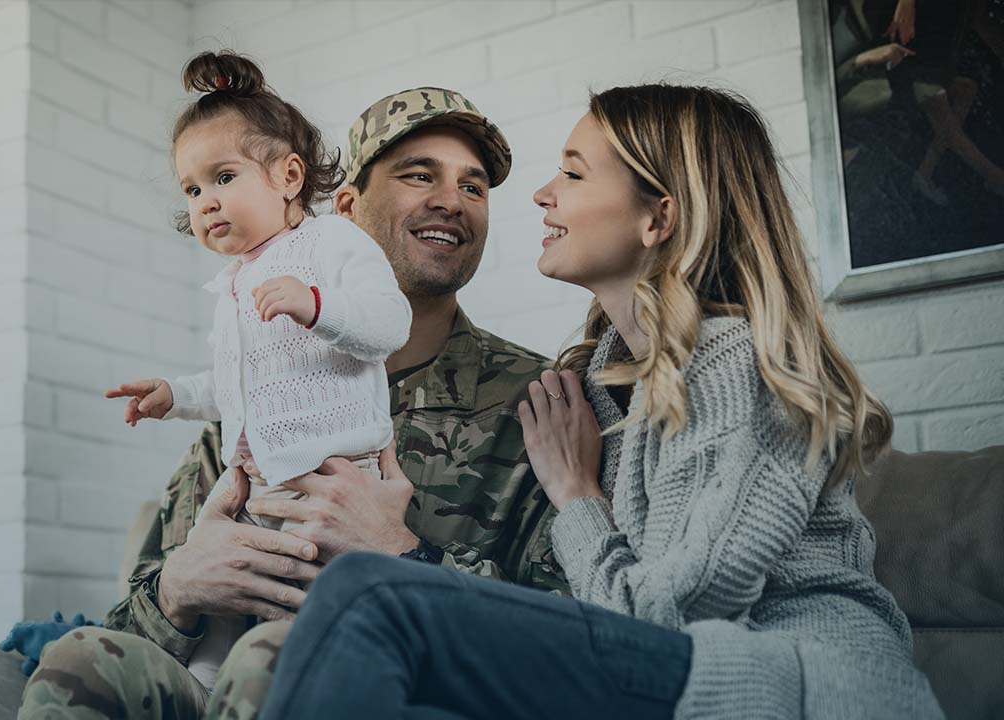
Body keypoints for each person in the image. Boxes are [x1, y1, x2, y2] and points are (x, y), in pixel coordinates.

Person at [260, 84, 946, 720]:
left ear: (658, 217)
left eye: (574, 173)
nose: (539, 195)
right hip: (685, 680)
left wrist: (577, 496)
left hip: (799, 690)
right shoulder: (599, 387)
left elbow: (664, 618)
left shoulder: (741, 365)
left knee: (370, 597)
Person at [16, 81, 566, 720]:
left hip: (388, 686)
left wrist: (404, 556)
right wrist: (179, 590)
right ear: (349, 208)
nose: (451, 202)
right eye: (420, 176)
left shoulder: (534, 403)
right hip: (218, 679)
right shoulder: (251, 397)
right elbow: (136, 623)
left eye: (473, 187)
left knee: (276, 664)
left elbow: (573, 644)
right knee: (80, 662)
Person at [101, 50, 412, 690]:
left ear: (288, 176)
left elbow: (389, 326)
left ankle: (282, 678)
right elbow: (235, 384)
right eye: (191, 189)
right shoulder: (237, 282)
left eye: (223, 177)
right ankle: (209, 685)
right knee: (218, 587)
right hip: (255, 476)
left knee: (302, 601)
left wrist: (316, 305)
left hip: (330, 476)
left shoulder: (332, 244)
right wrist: (175, 395)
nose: (205, 202)